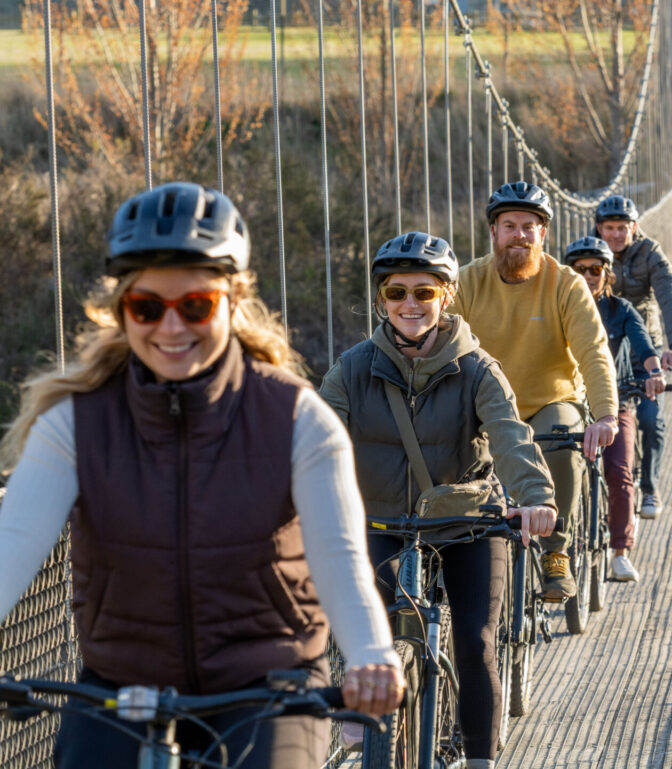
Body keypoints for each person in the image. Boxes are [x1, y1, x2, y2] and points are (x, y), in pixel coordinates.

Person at [0, 182, 403, 769]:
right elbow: (11, 542)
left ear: (233, 301)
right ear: (123, 310)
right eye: (146, 307)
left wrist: (371, 654)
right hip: (120, 685)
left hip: (269, 685)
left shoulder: (295, 419)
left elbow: (340, 558)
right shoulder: (76, 424)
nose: (170, 328)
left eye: (196, 305)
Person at [318, 231, 557, 769]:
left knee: (473, 642)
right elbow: (315, 439)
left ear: (446, 296)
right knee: (361, 631)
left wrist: (535, 497)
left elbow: (510, 436)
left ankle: (479, 760)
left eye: (424, 293)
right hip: (380, 523)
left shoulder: (477, 369)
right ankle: (368, 702)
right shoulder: (352, 369)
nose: (409, 304)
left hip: (468, 525)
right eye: (396, 292)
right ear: (381, 298)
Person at [448, 181, 619, 601]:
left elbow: (593, 352)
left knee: (559, 441)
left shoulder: (566, 284)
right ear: (494, 232)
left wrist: (606, 413)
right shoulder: (467, 282)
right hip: (485, 405)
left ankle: (555, 551)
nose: (520, 235)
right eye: (510, 226)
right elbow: (441, 348)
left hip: (550, 399)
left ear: (544, 234)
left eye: (530, 226)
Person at [563, 236, 665, 582]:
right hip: (570, 404)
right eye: (580, 270)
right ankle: (559, 551)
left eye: (596, 269)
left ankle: (620, 551)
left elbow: (643, 344)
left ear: (607, 273)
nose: (588, 275)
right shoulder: (558, 307)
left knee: (619, 472)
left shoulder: (620, 310)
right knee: (556, 470)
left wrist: (654, 372)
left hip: (615, 402)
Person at [595, 194, 672, 519]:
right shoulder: (589, 256)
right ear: (599, 228)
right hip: (600, 351)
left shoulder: (650, 253)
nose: (616, 235)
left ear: (634, 227)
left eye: (622, 228)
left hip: (644, 351)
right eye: (609, 228)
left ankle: (649, 488)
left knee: (650, 419)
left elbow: (668, 293)